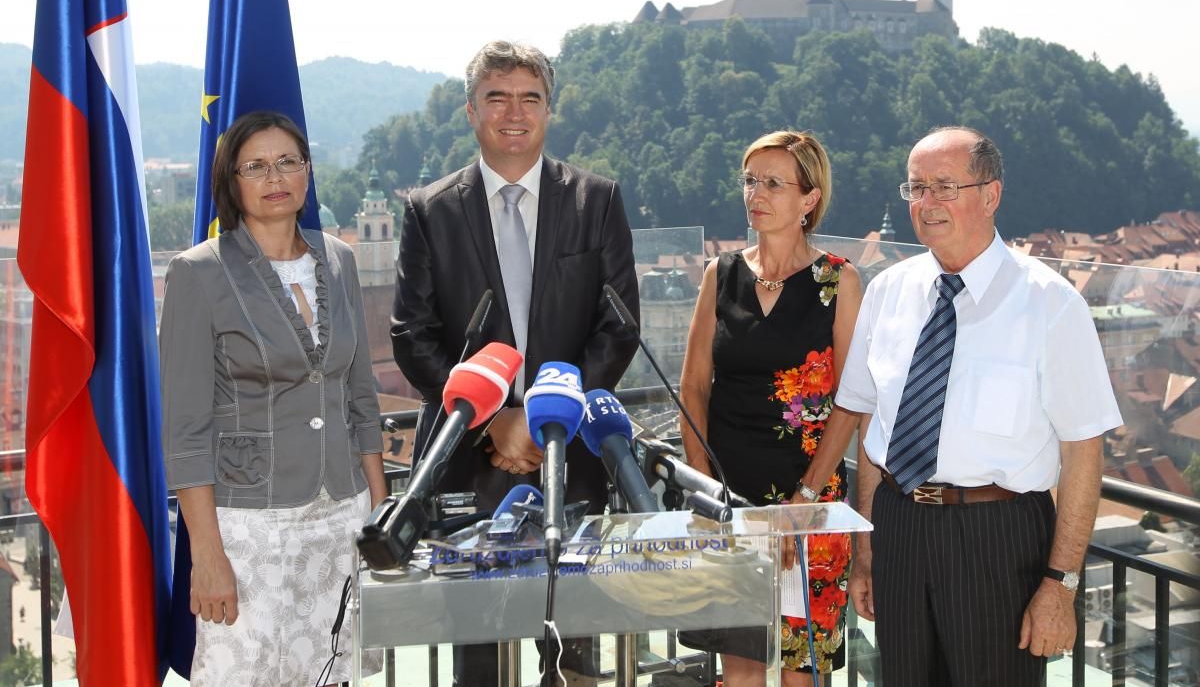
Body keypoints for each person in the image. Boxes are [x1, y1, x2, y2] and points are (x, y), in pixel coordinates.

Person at [832, 126, 1122, 686]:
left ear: (991, 195)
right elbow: (873, 427)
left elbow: (1084, 452)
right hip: (897, 525)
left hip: (997, 538)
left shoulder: (1050, 304)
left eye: (945, 186)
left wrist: (1060, 585)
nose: (927, 202)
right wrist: (866, 550)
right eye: (916, 187)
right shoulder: (887, 291)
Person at [391, 40, 640, 683]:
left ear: (549, 110)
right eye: (496, 97)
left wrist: (544, 421)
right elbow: (412, 335)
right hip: (469, 461)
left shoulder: (597, 200)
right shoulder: (429, 210)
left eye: (530, 98)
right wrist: (497, 419)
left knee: (577, 658)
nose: (514, 112)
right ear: (470, 110)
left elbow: (618, 326)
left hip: (572, 458)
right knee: (479, 662)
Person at [160, 111, 387, 687]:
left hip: (342, 517)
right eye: (255, 166)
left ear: (307, 172)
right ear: (230, 182)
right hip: (248, 530)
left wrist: (379, 513)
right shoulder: (198, 273)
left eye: (288, 161)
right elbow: (185, 432)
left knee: (333, 670)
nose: (275, 177)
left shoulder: (339, 259)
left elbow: (361, 397)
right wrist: (207, 556)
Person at [678, 130, 863, 685]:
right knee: (740, 671)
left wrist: (803, 501)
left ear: (810, 199)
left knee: (800, 671)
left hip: (809, 502)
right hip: (729, 502)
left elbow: (851, 401)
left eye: (774, 183)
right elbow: (694, 387)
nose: (755, 194)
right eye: (750, 180)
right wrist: (705, 490)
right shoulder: (721, 274)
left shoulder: (838, 281)